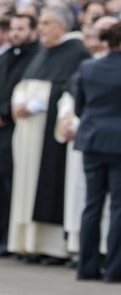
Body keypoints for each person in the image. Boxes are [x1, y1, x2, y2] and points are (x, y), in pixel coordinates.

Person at [9, 6, 90, 263]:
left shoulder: (76, 52)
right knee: (26, 186)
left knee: (49, 185)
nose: (41, 28)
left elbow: (69, 89)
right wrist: (20, 99)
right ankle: (28, 243)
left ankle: (52, 247)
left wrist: (36, 104)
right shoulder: (44, 52)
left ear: (63, 26)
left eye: (46, 23)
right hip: (29, 130)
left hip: (49, 131)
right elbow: (25, 82)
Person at [0, 14, 40, 257]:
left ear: (33, 30)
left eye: (21, 29)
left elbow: (26, 91)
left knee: (14, 186)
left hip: (19, 128)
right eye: (14, 29)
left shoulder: (37, 57)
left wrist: (5, 111)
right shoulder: (7, 57)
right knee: (0, 186)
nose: (16, 33)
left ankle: (13, 239)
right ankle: (1, 234)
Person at [73, 21, 121, 283]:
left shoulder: (88, 67)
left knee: (92, 204)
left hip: (92, 139)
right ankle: (114, 269)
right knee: (118, 208)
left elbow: (80, 106)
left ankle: (86, 266)